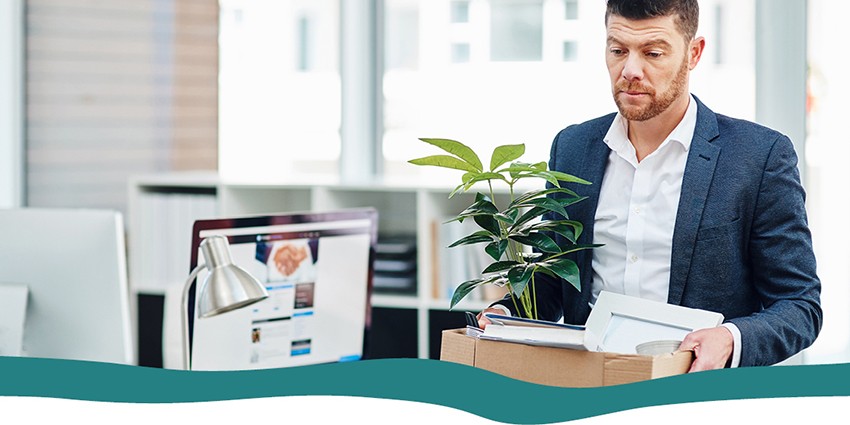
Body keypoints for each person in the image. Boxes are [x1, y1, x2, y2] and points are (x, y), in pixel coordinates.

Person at [478, 0, 822, 371]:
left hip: (696, 394)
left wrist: (729, 339)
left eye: (653, 52)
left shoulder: (759, 157)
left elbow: (799, 306)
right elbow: (554, 284)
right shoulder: (573, 147)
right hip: (588, 385)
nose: (630, 70)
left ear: (693, 53)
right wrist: (505, 312)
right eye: (617, 50)